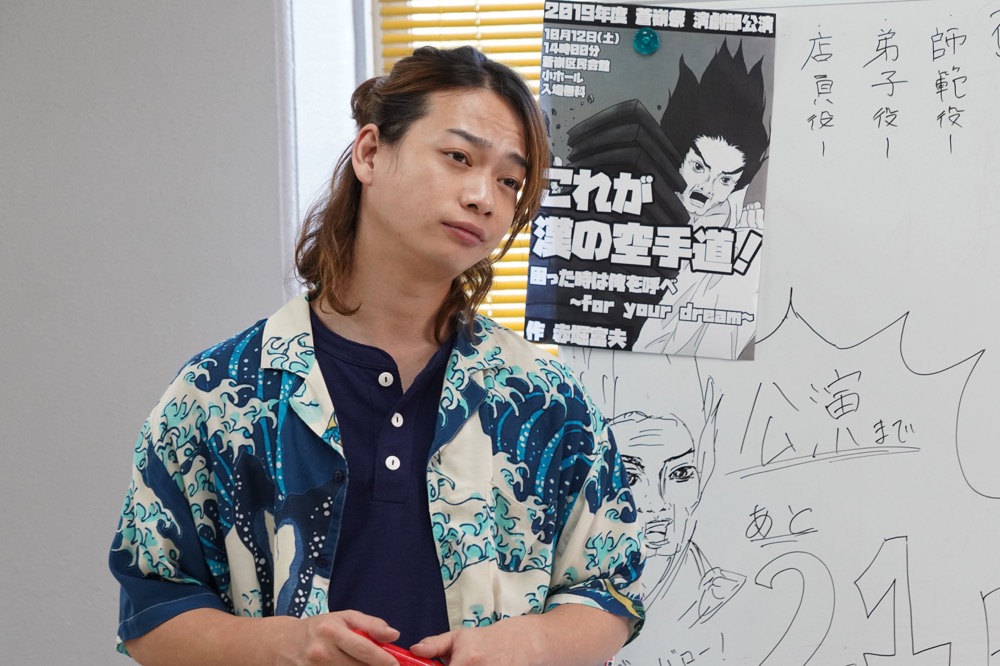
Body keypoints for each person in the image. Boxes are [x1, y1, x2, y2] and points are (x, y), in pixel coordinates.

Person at [109, 46, 644, 665]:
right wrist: (281, 648)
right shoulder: (218, 392)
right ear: (369, 153)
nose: (484, 197)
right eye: (458, 157)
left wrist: (527, 644)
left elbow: (610, 591)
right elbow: (152, 609)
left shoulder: (546, 398)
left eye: (509, 181)